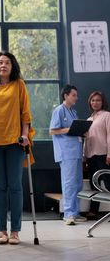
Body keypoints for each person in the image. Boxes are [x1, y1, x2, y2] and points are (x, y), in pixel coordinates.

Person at [0, 51, 35, 245]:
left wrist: (25, 135)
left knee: (16, 187)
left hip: (15, 143)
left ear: (12, 66)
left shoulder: (19, 85)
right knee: (0, 187)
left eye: (7, 63)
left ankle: (15, 231)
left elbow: (25, 113)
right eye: (0, 62)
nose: (3, 65)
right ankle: (2, 231)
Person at [49, 84, 86, 225]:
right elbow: (52, 131)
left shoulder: (74, 112)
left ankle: (75, 213)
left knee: (77, 184)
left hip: (76, 152)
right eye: (74, 95)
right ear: (66, 96)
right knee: (69, 183)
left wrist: (81, 131)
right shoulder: (59, 111)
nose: (76, 98)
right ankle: (68, 214)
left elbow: (73, 130)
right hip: (66, 152)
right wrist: (70, 129)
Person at [84, 91, 110, 219]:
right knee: (94, 183)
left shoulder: (107, 116)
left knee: (108, 183)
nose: (95, 102)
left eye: (98, 100)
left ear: (102, 102)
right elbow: (87, 139)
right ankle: (93, 211)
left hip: (104, 154)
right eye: (93, 100)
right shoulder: (89, 119)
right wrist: (85, 156)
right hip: (91, 155)